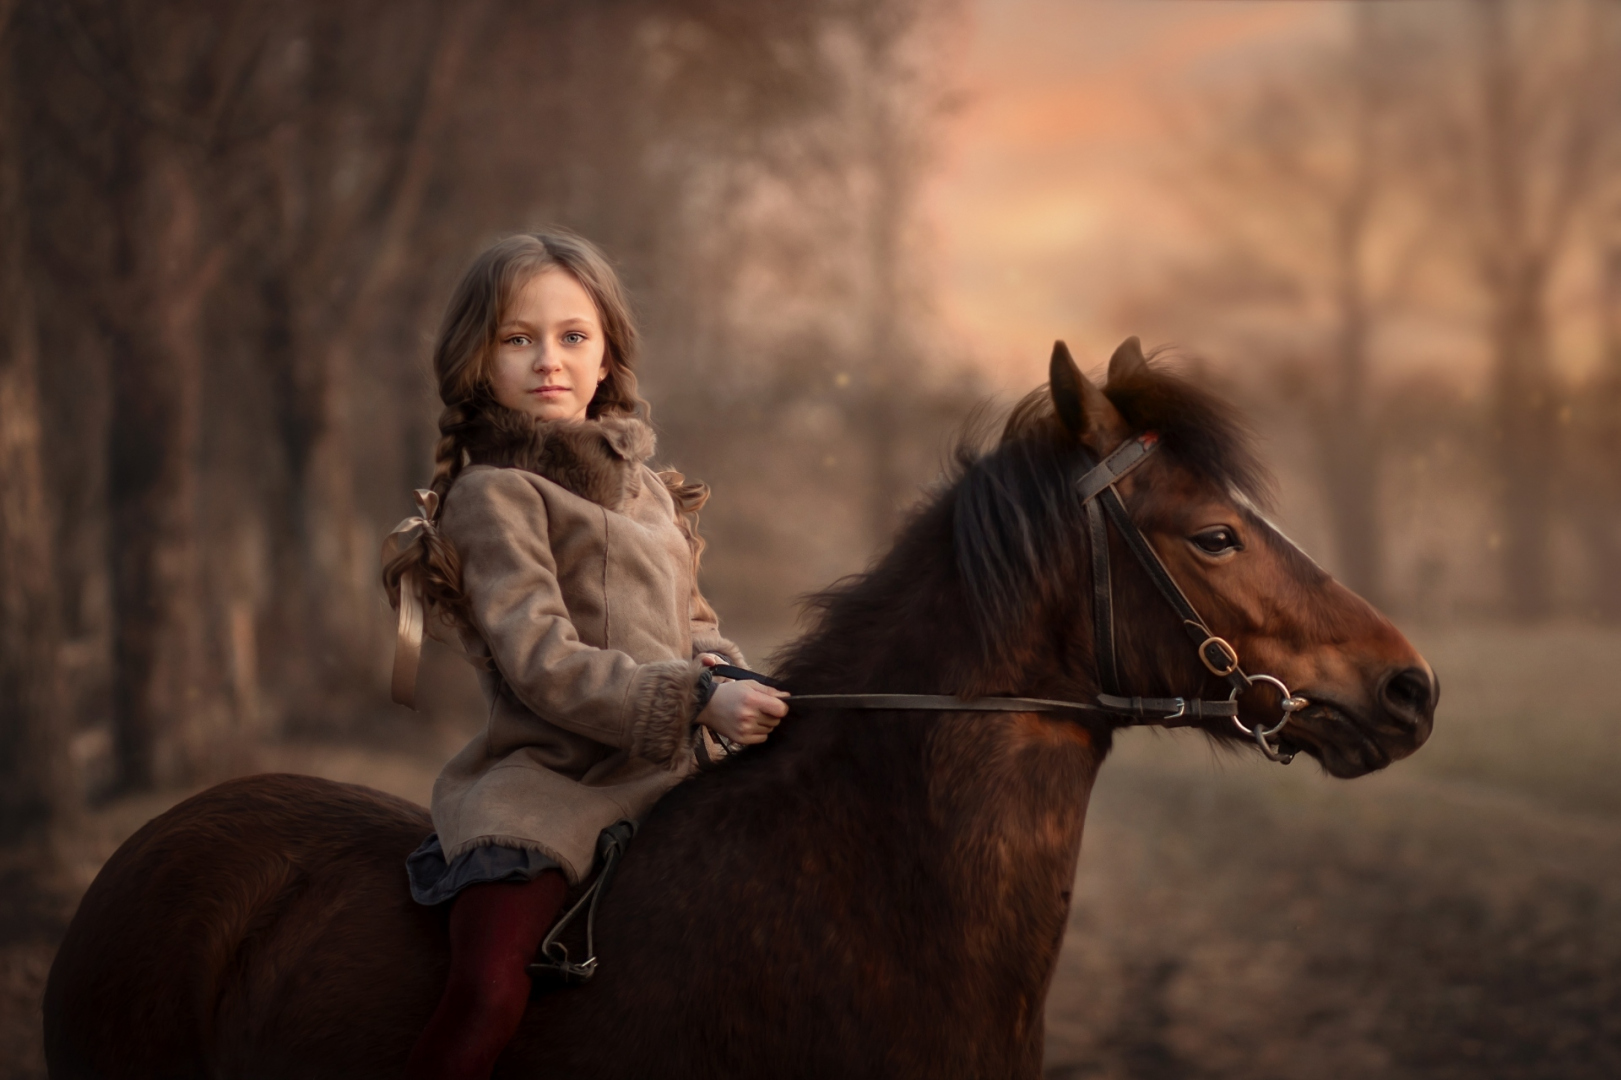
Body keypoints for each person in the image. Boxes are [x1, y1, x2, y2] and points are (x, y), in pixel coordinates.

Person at [381, 231, 789, 1080]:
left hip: (672, 772)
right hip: (549, 784)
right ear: (477, 359)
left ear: (607, 357)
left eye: (573, 337)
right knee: (488, 992)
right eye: (516, 338)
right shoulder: (494, 494)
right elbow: (542, 661)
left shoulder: (645, 487)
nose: (548, 362)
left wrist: (728, 676)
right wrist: (690, 701)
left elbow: (695, 623)